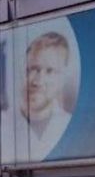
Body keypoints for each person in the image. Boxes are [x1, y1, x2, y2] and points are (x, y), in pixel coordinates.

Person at [21, 32, 74, 161]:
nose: (37, 81)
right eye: (32, 69)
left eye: (49, 71)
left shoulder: (70, 125)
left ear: (62, 78)